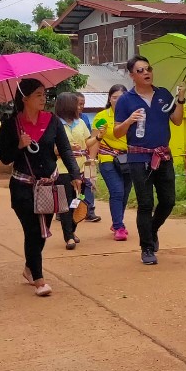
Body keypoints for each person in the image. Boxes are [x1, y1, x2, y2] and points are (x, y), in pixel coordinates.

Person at [0, 78, 82, 297]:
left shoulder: (52, 121)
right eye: (38, 94)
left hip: (49, 186)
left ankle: (29, 268)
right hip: (22, 186)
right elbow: (5, 158)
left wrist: (75, 174)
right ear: (24, 98)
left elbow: (65, 150)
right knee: (33, 231)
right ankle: (39, 279)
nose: (43, 98)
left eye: (44, 94)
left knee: (43, 234)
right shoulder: (10, 125)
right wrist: (19, 145)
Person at [114, 56, 184, 265]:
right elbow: (117, 132)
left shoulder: (163, 94)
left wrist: (180, 99)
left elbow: (177, 121)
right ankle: (146, 248)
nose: (146, 73)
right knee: (145, 203)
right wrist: (129, 120)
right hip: (138, 158)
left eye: (148, 68)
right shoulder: (126, 100)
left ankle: (151, 229)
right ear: (132, 75)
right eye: (140, 70)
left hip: (163, 156)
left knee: (168, 200)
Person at [91, 84, 131, 241]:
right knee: (117, 191)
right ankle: (119, 226)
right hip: (108, 159)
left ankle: (117, 221)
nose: (118, 100)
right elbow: (95, 140)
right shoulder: (101, 117)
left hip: (128, 160)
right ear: (109, 99)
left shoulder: (132, 116)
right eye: (114, 97)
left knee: (126, 193)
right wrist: (91, 161)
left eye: (121, 97)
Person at [54, 92, 90, 251]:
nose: (79, 107)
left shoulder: (80, 122)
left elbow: (87, 141)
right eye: (77, 104)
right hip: (63, 170)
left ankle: (72, 230)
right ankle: (68, 236)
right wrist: (65, 149)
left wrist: (99, 137)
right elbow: (50, 148)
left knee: (78, 201)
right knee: (66, 204)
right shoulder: (55, 124)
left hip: (81, 169)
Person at [77, 93, 100, 222]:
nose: (81, 107)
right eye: (79, 104)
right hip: (72, 159)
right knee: (77, 186)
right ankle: (73, 209)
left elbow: (90, 138)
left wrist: (91, 156)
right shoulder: (63, 120)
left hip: (87, 156)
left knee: (89, 183)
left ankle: (89, 210)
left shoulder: (84, 118)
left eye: (83, 104)